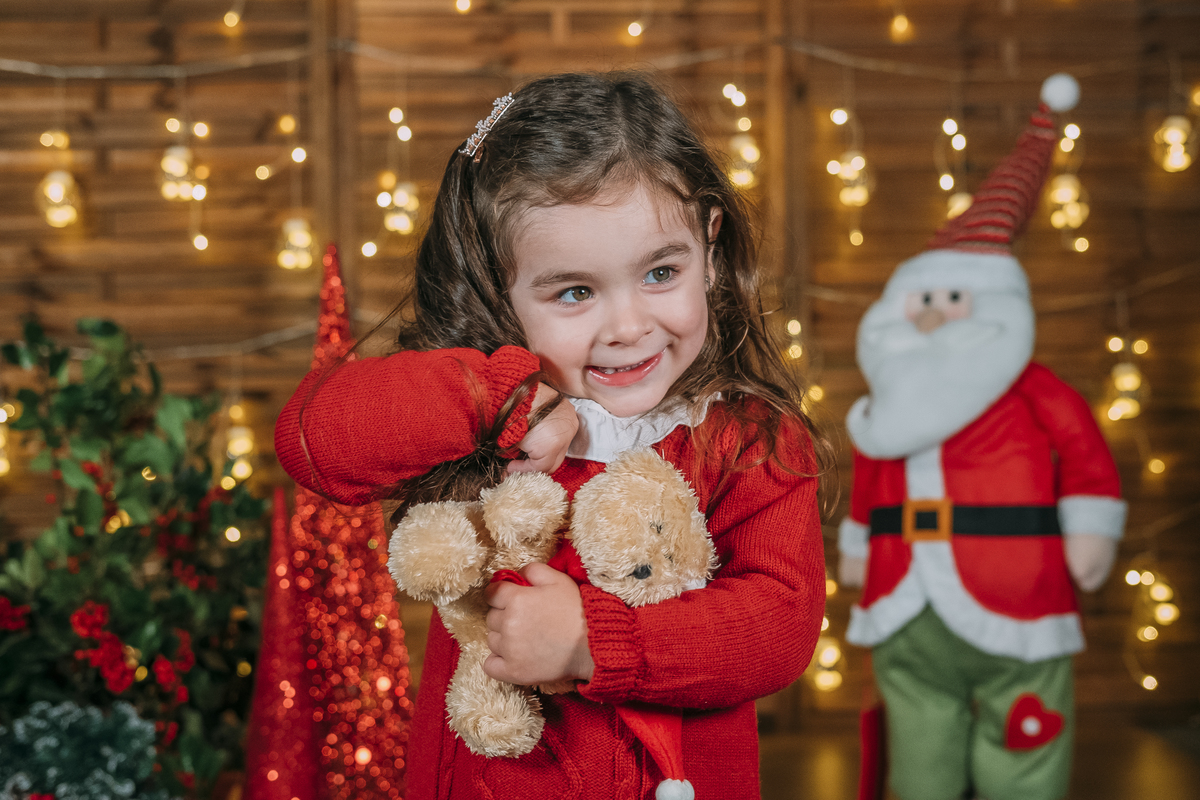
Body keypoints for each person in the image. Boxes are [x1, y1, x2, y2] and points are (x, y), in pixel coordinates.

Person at [274, 72, 829, 800]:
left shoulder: (746, 436)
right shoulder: (481, 415)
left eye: (661, 271)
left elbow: (779, 626)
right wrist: (497, 402)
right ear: (494, 290)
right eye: (575, 291)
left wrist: (592, 643)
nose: (628, 327)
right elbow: (311, 440)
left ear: (711, 244)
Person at [837, 75, 1125, 800]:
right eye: (921, 301)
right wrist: (858, 544)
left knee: (1025, 741)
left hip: (1019, 593)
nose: (934, 317)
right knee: (919, 741)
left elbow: (1086, 459)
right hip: (907, 599)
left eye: (952, 300)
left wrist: (1089, 530)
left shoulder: (1036, 389)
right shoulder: (886, 405)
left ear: (995, 305)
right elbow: (874, 478)